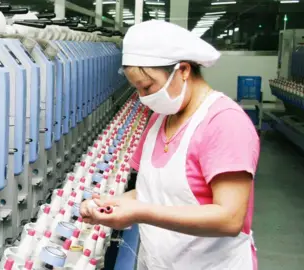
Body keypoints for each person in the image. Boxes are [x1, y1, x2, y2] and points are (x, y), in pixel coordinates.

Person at [80, 20, 260, 270]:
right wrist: (112, 204)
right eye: (138, 90)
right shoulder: (160, 118)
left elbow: (230, 219)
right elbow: (150, 191)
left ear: (183, 70)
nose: (144, 98)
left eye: (148, 86)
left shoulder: (225, 123)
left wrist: (138, 213)